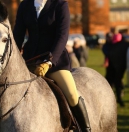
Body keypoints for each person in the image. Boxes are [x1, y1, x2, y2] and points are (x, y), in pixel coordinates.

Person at [13, 0, 91, 131]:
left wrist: (49, 61)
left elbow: (62, 36)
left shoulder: (60, 4)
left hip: (55, 61)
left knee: (72, 94)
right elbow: (18, 34)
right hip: (29, 60)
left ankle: (85, 129)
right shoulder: (25, 5)